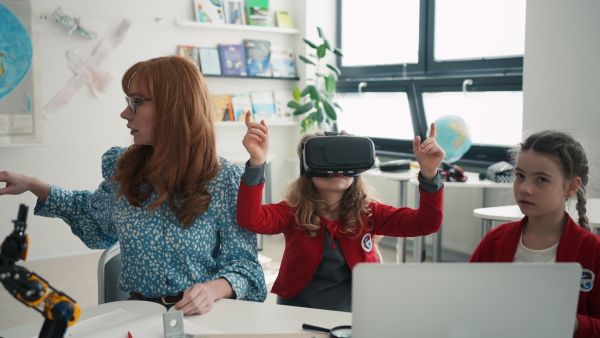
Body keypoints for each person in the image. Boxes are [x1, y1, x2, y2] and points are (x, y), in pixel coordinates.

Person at [0, 55, 267, 315]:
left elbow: (246, 268)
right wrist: (34, 184)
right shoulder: (123, 168)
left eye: (136, 102)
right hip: (137, 316)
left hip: (204, 318)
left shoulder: (224, 179)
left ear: (172, 107)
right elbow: (94, 221)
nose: (125, 113)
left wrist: (213, 290)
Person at [237, 113, 445, 312]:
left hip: (359, 305)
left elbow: (426, 223)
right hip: (299, 305)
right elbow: (251, 220)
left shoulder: (370, 213)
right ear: (306, 166)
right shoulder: (293, 211)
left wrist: (429, 173)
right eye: (325, 159)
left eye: (344, 159)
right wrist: (257, 162)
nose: (336, 168)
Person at [469, 130, 600, 337]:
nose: (525, 189)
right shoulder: (495, 240)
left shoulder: (593, 251)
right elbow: (466, 301)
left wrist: (571, 322)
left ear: (571, 187)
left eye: (541, 180)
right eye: (520, 176)